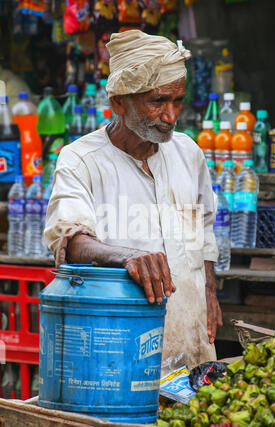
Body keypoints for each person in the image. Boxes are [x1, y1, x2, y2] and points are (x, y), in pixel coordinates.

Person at [44, 29, 223, 369]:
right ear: (118, 102)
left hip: (191, 336)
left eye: (177, 101)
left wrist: (209, 292)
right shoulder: (80, 159)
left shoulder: (188, 153)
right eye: (157, 102)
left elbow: (204, 228)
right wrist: (128, 256)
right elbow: (70, 239)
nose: (170, 116)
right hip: (121, 347)